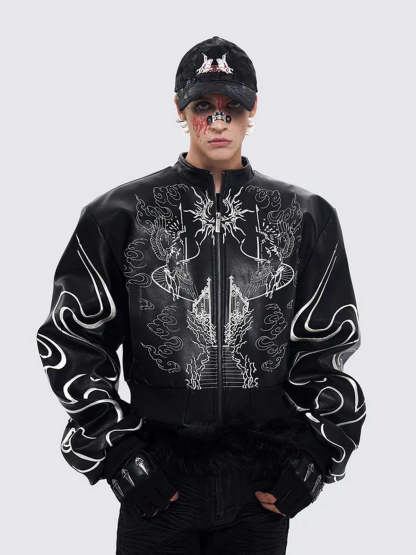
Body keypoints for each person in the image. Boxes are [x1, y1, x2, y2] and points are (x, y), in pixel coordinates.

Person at [35, 35, 367, 554]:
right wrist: (118, 454)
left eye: (231, 106)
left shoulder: (306, 215)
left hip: (259, 485)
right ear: (179, 108)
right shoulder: (119, 214)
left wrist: (316, 456)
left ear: (253, 110)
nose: (217, 120)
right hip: (158, 477)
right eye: (202, 106)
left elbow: (326, 346)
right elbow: (73, 341)